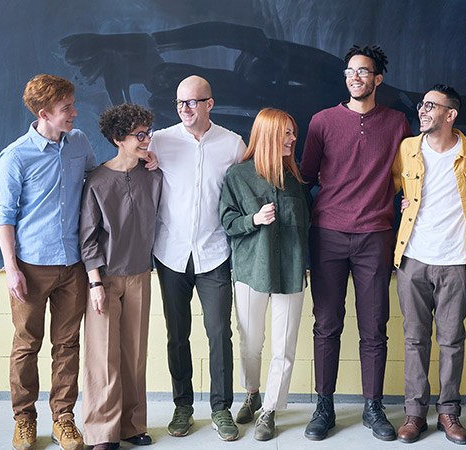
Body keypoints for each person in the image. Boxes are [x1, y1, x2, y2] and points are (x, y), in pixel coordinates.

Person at [299, 45, 412, 441]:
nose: (355, 77)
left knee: (374, 327)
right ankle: (324, 406)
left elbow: (412, 174)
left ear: (377, 78)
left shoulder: (397, 123)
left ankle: (373, 407)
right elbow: (305, 177)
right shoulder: (322, 121)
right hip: (327, 233)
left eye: (363, 71)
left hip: (376, 235)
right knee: (326, 324)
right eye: (350, 71)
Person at [0, 74, 96, 450]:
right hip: (31, 267)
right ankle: (24, 419)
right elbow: (4, 215)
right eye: (66, 108)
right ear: (44, 114)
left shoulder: (79, 142)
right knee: (27, 344)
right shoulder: (16, 155)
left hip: (74, 264)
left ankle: (63, 419)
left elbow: (95, 183)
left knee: (67, 345)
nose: (74, 112)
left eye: (72, 105)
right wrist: (11, 269)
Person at [393, 85, 466, 445]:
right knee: (415, 339)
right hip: (413, 259)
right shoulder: (408, 148)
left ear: (450, 114)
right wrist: (401, 203)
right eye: (422, 104)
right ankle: (415, 414)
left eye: (431, 106)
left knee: (452, 340)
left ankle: (449, 412)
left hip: (456, 261)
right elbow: (387, 187)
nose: (422, 110)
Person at [149, 75, 247, 441]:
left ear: (209, 103)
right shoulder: (159, 141)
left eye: (192, 102)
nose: (185, 109)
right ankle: (183, 406)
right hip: (170, 253)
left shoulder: (232, 144)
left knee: (220, 332)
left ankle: (221, 409)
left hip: (214, 251)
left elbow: (250, 186)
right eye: (180, 103)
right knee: (177, 334)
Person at [220, 108, 310, 441]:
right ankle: (252, 393)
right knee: (250, 342)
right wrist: (254, 220)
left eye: (293, 132)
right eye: (287, 133)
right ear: (268, 134)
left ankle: (270, 409)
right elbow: (228, 221)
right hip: (251, 269)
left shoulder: (295, 179)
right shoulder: (238, 176)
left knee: (284, 345)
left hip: (290, 271)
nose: (293, 139)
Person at [79, 103, 162, 450]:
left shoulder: (153, 174)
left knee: (134, 355)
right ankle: (102, 432)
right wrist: (95, 282)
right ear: (118, 138)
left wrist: (152, 159)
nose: (146, 140)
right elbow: (87, 237)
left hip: (140, 273)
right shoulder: (97, 181)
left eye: (147, 133)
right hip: (106, 278)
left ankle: (131, 425)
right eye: (138, 135)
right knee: (103, 357)